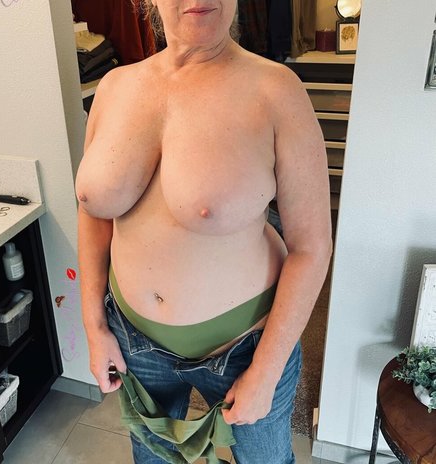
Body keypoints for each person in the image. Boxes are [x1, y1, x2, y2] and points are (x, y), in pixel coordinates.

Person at [75, 0, 332, 461]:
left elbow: (311, 246)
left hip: (245, 349)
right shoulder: (114, 87)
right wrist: (94, 326)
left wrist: (266, 371)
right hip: (133, 341)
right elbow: (93, 213)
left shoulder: (277, 91)